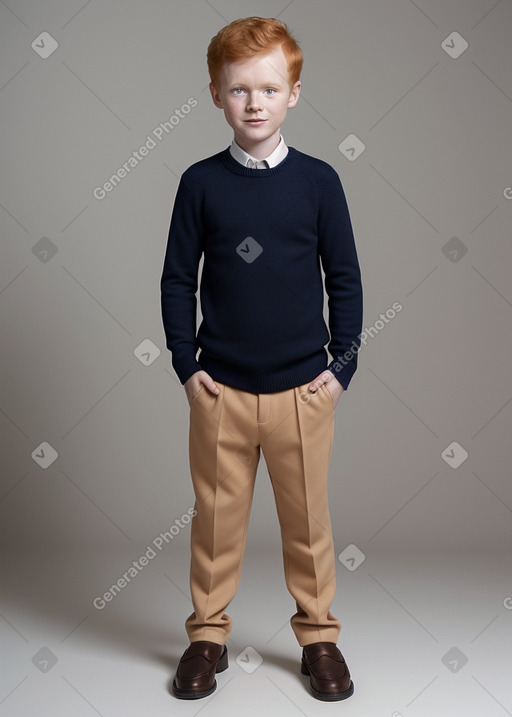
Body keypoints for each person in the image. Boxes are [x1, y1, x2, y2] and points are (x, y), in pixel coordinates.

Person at [160, 16, 363, 702]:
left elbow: (344, 279)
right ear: (216, 94)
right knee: (215, 520)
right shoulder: (201, 183)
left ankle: (319, 635)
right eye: (239, 89)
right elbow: (176, 278)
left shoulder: (319, 182)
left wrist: (342, 368)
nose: (254, 103)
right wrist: (188, 367)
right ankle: (207, 634)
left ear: (294, 94)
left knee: (308, 521)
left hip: (304, 391)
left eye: (269, 88)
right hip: (220, 390)